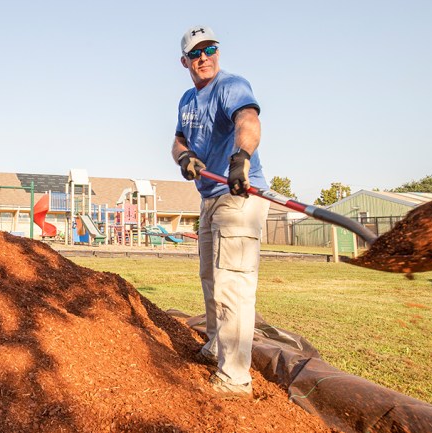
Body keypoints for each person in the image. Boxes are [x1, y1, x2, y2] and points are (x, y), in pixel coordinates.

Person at [171, 26, 270, 398]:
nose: (203, 57)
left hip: (239, 194)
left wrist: (241, 157)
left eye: (210, 49)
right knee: (210, 277)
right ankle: (215, 344)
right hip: (209, 197)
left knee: (233, 282)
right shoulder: (186, 99)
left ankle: (234, 377)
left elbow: (248, 121)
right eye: (195, 53)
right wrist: (185, 157)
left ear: (218, 52)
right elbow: (178, 139)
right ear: (185, 62)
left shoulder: (232, 86)